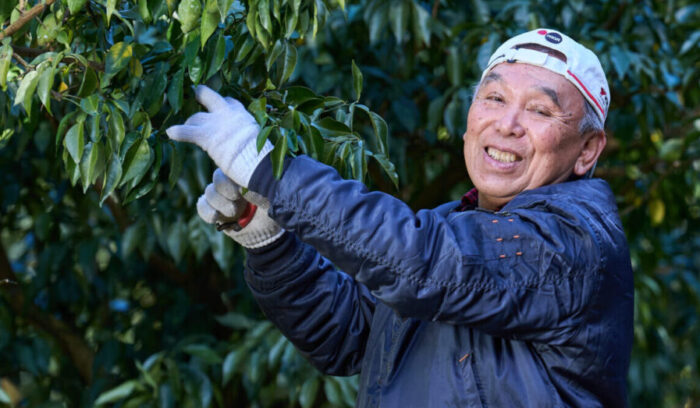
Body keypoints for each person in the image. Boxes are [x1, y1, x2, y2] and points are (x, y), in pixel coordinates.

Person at [167, 28, 633, 407]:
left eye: (539, 110)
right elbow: (345, 335)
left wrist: (269, 168)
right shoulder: (456, 226)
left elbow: (424, 263)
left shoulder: (575, 241)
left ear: (587, 150)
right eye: (493, 98)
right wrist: (267, 238)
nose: (507, 123)